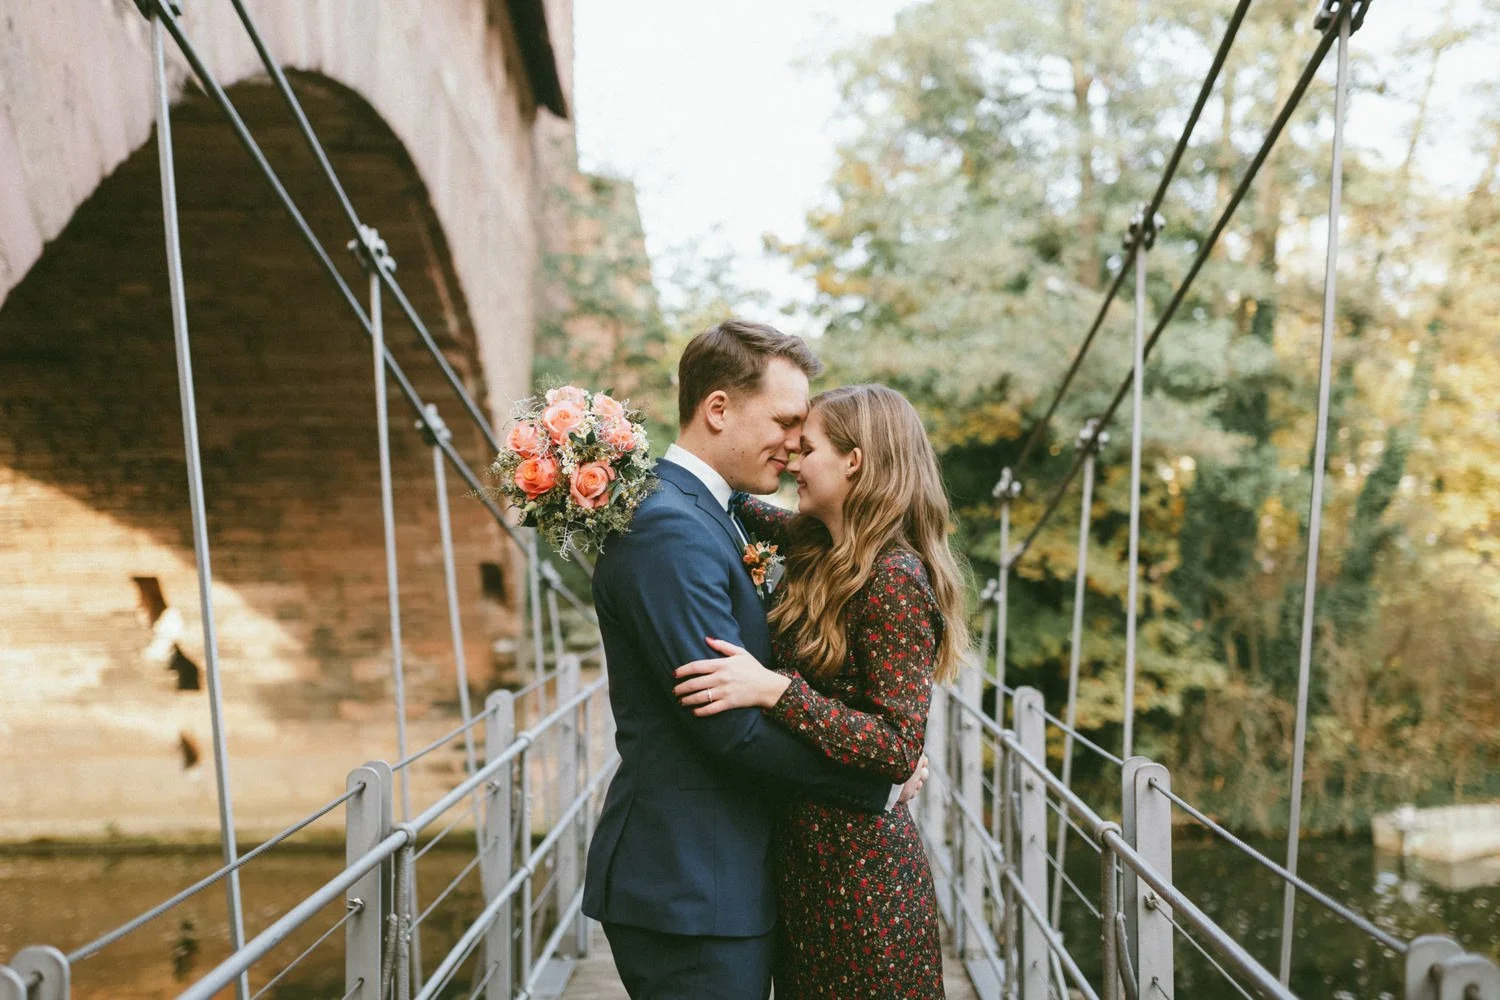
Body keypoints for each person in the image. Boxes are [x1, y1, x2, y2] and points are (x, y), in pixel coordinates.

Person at [581, 321, 928, 1000]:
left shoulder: (717, 512)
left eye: (807, 434)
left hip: (732, 879)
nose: (796, 444)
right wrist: (875, 789)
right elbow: (729, 726)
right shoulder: (670, 527)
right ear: (718, 409)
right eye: (786, 421)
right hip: (692, 887)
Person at [672, 384, 967, 999]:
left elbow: (898, 747)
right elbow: (720, 493)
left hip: (865, 890)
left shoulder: (894, 579)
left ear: (853, 461)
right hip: (805, 876)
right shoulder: (817, 545)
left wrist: (777, 691)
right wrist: (605, 461)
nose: (792, 463)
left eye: (806, 449)